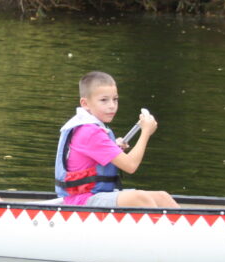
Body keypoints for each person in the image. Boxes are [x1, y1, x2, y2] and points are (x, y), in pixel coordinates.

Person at [54, 71, 178, 208]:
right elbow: (131, 166)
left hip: (96, 194)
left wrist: (114, 146)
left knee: (163, 197)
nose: (112, 105)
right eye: (104, 100)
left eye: (115, 99)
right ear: (85, 103)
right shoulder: (90, 132)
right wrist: (145, 133)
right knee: (139, 198)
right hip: (83, 200)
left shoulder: (90, 127)